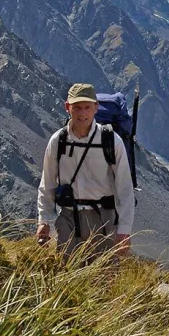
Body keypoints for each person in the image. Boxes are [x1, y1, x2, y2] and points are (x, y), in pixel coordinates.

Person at [36, 83, 134, 261]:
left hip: (103, 219)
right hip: (68, 218)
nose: (82, 113)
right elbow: (48, 183)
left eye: (87, 107)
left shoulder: (111, 140)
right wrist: (44, 221)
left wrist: (124, 231)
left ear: (96, 107)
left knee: (104, 278)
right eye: (77, 108)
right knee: (66, 274)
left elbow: (125, 188)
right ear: (68, 107)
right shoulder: (58, 141)